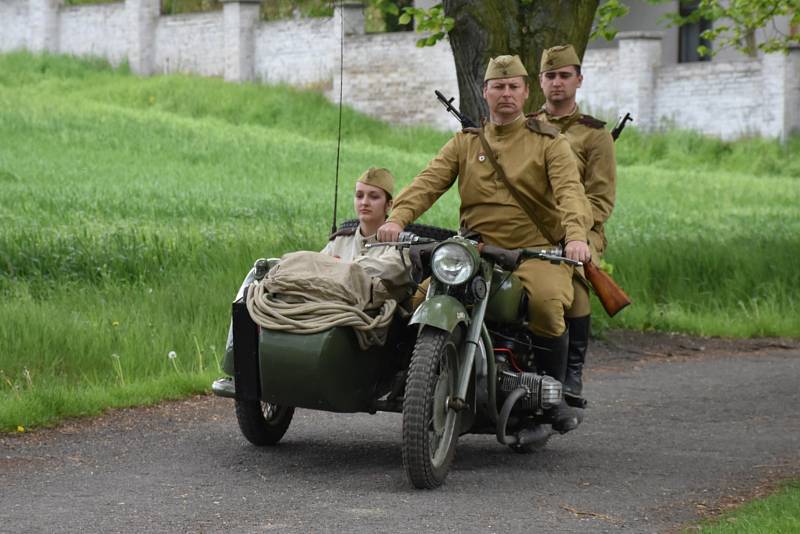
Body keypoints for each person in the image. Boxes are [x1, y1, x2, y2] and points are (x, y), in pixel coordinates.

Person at [377, 55, 592, 433]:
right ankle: (416, 381)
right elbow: (427, 182)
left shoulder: (549, 144)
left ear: (526, 92)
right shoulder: (466, 143)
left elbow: (571, 193)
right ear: (485, 92)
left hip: (532, 252)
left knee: (546, 303)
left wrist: (575, 237)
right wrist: (397, 218)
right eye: (498, 87)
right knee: (417, 298)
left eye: (513, 87)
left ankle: (552, 395)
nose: (505, 94)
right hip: (475, 251)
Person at [216, 167, 410, 388]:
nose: (364, 202)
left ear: (389, 205)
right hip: (318, 313)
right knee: (256, 292)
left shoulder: (397, 246)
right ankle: (247, 367)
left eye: (373, 197)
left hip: (361, 331)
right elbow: (315, 272)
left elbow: (394, 272)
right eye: (359, 195)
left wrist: (348, 270)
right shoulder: (340, 241)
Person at [530, 45, 617, 405]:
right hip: (533, 227)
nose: (557, 83)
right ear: (540, 82)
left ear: (578, 80)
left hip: (582, 230)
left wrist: (575, 230)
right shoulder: (527, 127)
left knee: (577, 278)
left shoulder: (594, 135)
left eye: (565, 75)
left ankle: (571, 372)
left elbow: (600, 199)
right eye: (550, 76)